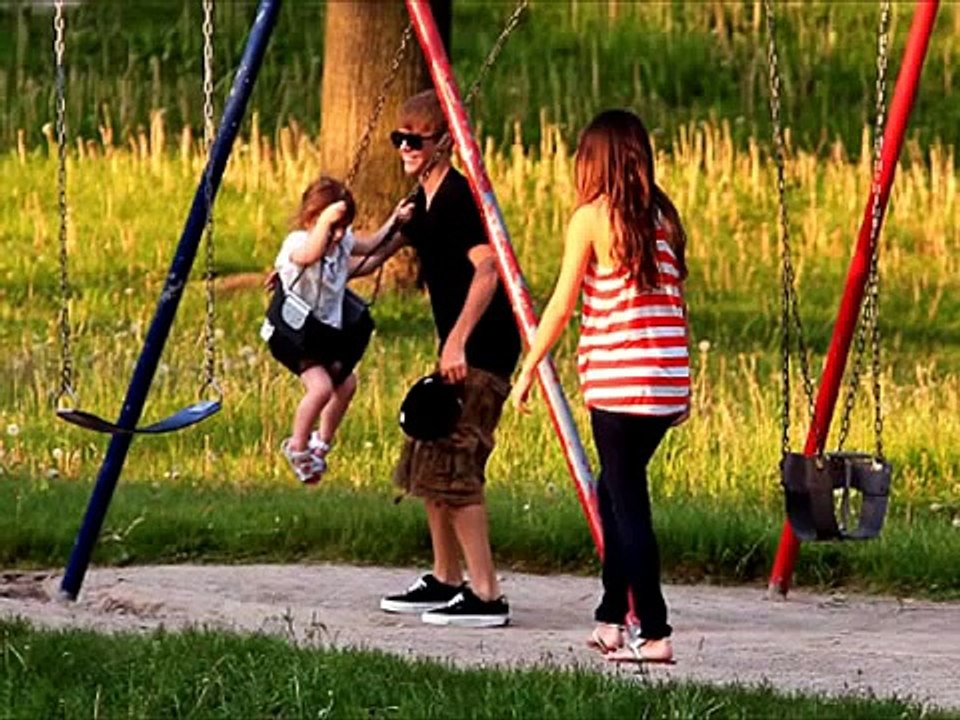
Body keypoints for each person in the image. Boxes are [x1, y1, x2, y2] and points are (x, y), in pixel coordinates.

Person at [510, 109, 690, 662]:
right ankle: (611, 616)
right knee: (612, 496)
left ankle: (654, 630)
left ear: (595, 162)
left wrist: (527, 370)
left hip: (617, 385)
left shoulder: (592, 218)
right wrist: (686, 388)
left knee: (629, 507)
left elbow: (563, 304)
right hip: (663, 383)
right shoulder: (664, 217)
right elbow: (676, 305)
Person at [372, 90, 522, 627]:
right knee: (426, 460)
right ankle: (444, 577)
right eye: (399, 138)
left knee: (456, 469)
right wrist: (303, 275)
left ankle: (486, 595)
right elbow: (369, 256)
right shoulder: (422, 201)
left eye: (417, 140)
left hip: (481, 352)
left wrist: (456, 340)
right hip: (457, 353)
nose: (406, 148)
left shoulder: (458, 200)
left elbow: (489, 270)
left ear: (444, 143)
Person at [263, 176, 411, 485]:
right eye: (333, 226)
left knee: (347, 385)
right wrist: (326, 223)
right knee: (320, 389)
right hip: (292, 333)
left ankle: (321, 444)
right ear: (311, 219)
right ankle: (297, 447)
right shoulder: (298, 242)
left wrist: (396, 224)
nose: (340, 234)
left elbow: (371, 247)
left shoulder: (340, 242)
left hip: (321, 335)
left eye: (344, 227)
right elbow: (309, 255)